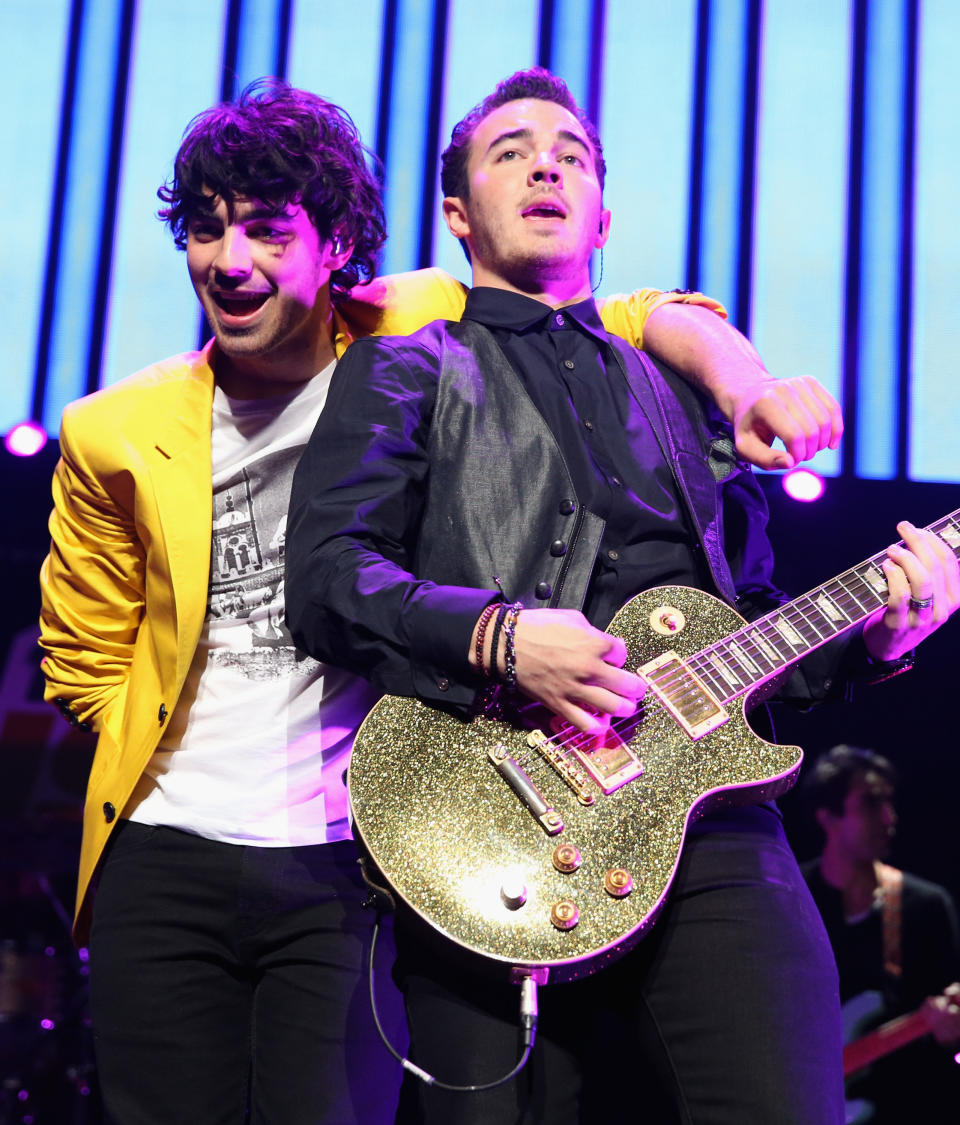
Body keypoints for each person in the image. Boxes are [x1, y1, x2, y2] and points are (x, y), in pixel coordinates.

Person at [35, 77, 843, 1125]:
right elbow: (86, 657)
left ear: (338, 247)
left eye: (270, 232)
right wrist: (187, 775)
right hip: (176, 841)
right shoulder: (114, 427)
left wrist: (745, 387)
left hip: (352, 847)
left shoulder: (406, 331)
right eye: (206, 230)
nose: (232, 261)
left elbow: (632, 312)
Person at [284, 68, 960, 1124]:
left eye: (572, 154)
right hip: (487, 812)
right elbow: (327, 581)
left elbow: (756, 626)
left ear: (605, 211)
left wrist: (882, 633)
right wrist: (504, 639)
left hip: (714, 829)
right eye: (509, 151)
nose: (545, 163)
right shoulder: (402, 373)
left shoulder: (682, 396)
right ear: (457, 213)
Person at [803, 745, 960, 1123]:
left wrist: (952, 1035)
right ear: (828, 817)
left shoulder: (924, 905)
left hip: (902, 1106)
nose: (890, 817)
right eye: (872, 803)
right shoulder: (791, 895)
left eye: (889, 801)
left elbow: (953, 1027)